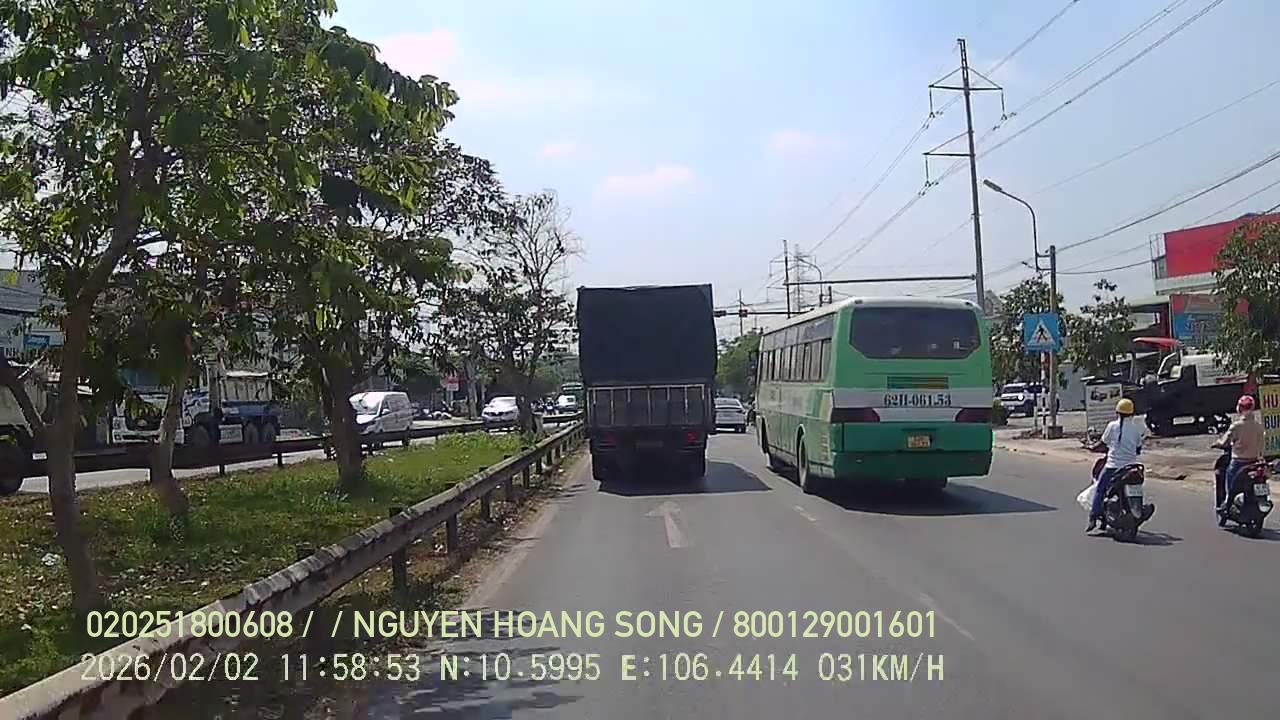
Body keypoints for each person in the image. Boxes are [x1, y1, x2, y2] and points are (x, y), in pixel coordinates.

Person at [1088, 398, 1146, 532]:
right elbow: (1138, 447)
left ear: (1117, 412)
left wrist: (1092, 447)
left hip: (1113, 466)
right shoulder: (1136, 428)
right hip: (1132, 466)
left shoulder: (1112, 426)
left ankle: (1093, 516)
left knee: (1100, 488)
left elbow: (1103, 443)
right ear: (1132, 413)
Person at [1216, 395, 1264, 513]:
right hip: (1255, 462)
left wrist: (1218, 443)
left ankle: (1227, 501)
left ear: (1239, 408)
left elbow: (1225, 442)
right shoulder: (1259, 426)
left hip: (1239, 462)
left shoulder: (1236, 426)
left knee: (1229, 479)